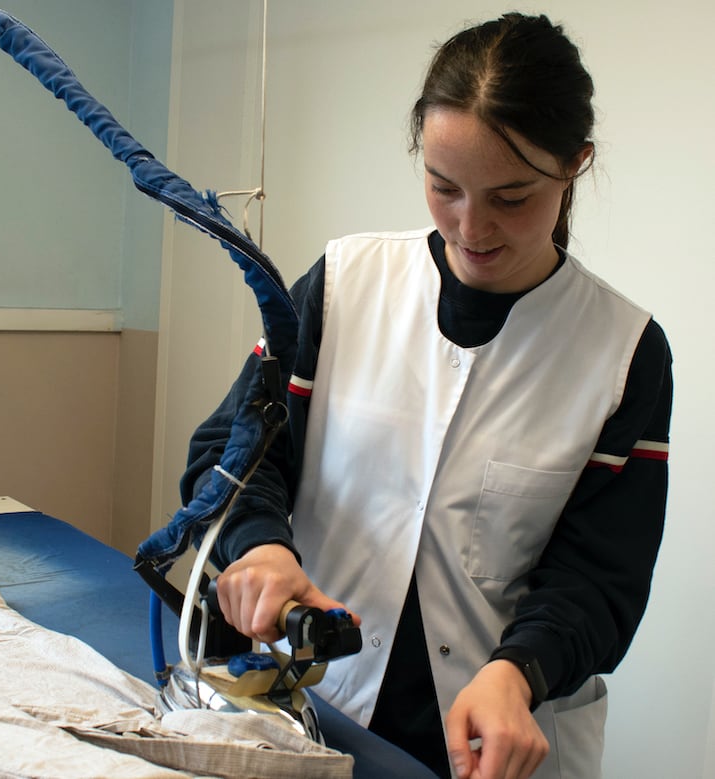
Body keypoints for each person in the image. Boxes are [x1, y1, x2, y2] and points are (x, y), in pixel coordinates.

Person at [181, 13, 673, 779]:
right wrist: (261, 546)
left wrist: (519, 671)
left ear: (574, 165)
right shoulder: (342, 287)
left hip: (493, 739)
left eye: (511, 197)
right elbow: (232, 452)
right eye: (443, 187)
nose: (470, 226)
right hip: (321, 706)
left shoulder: (622, 352)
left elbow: (598, 578)